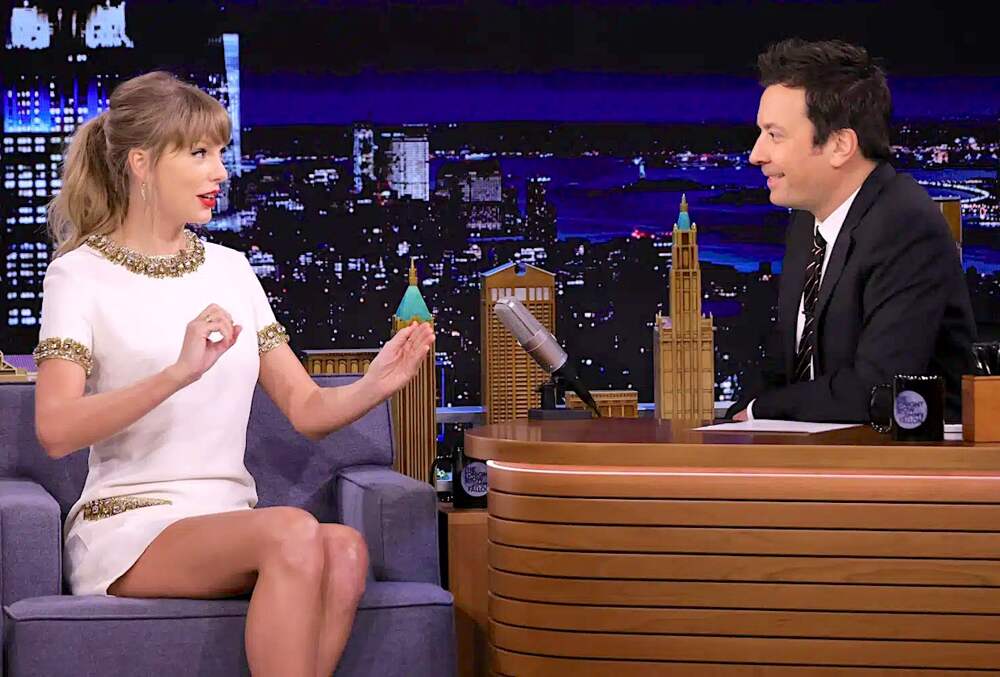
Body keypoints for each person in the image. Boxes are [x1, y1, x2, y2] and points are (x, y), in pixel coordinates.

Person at [32, 71, 435, 677]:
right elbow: (56, 429)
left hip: (233, 518)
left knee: (346, 549)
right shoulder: (78, 276)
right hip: (129, 524)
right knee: (295, 533)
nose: (220, 172)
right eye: (199, 153)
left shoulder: (231, 269)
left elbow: (306, 409)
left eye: (220, 153)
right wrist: (179, 372)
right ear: (141, 163)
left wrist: (376, 382)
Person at [729, 38, 976, 423]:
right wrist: (733, 419)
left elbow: (879, 390)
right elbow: (786, 368)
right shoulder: (807, 222)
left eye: (774, 135)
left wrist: (759, 410)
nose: (756, 154)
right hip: (822, 449)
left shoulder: (904, 225)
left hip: (908, 455)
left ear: (840, 145)